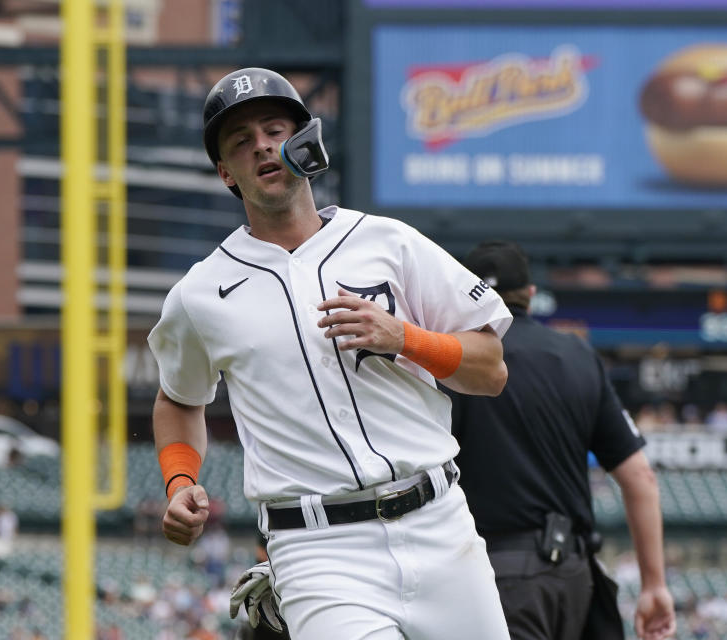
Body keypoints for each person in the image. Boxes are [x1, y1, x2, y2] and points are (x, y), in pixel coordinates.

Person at [147, 67, 514, 640]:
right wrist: (179, 481)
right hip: (319, 549)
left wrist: (405, 338)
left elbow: (491, 370)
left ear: (306, 142)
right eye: (241, 141)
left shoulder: (389, 242)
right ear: (226, 173)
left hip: (441, 524)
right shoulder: (201, 293)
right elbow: (177, 399)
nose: (262, 145)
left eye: (275, 129)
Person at [446, 241, 676, 640]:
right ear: (531, 295)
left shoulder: (451, 358)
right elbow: (641, 477)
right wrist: (654, 585)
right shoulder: (577, 355)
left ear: (468, 296)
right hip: (573, 576)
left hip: (491, 572)